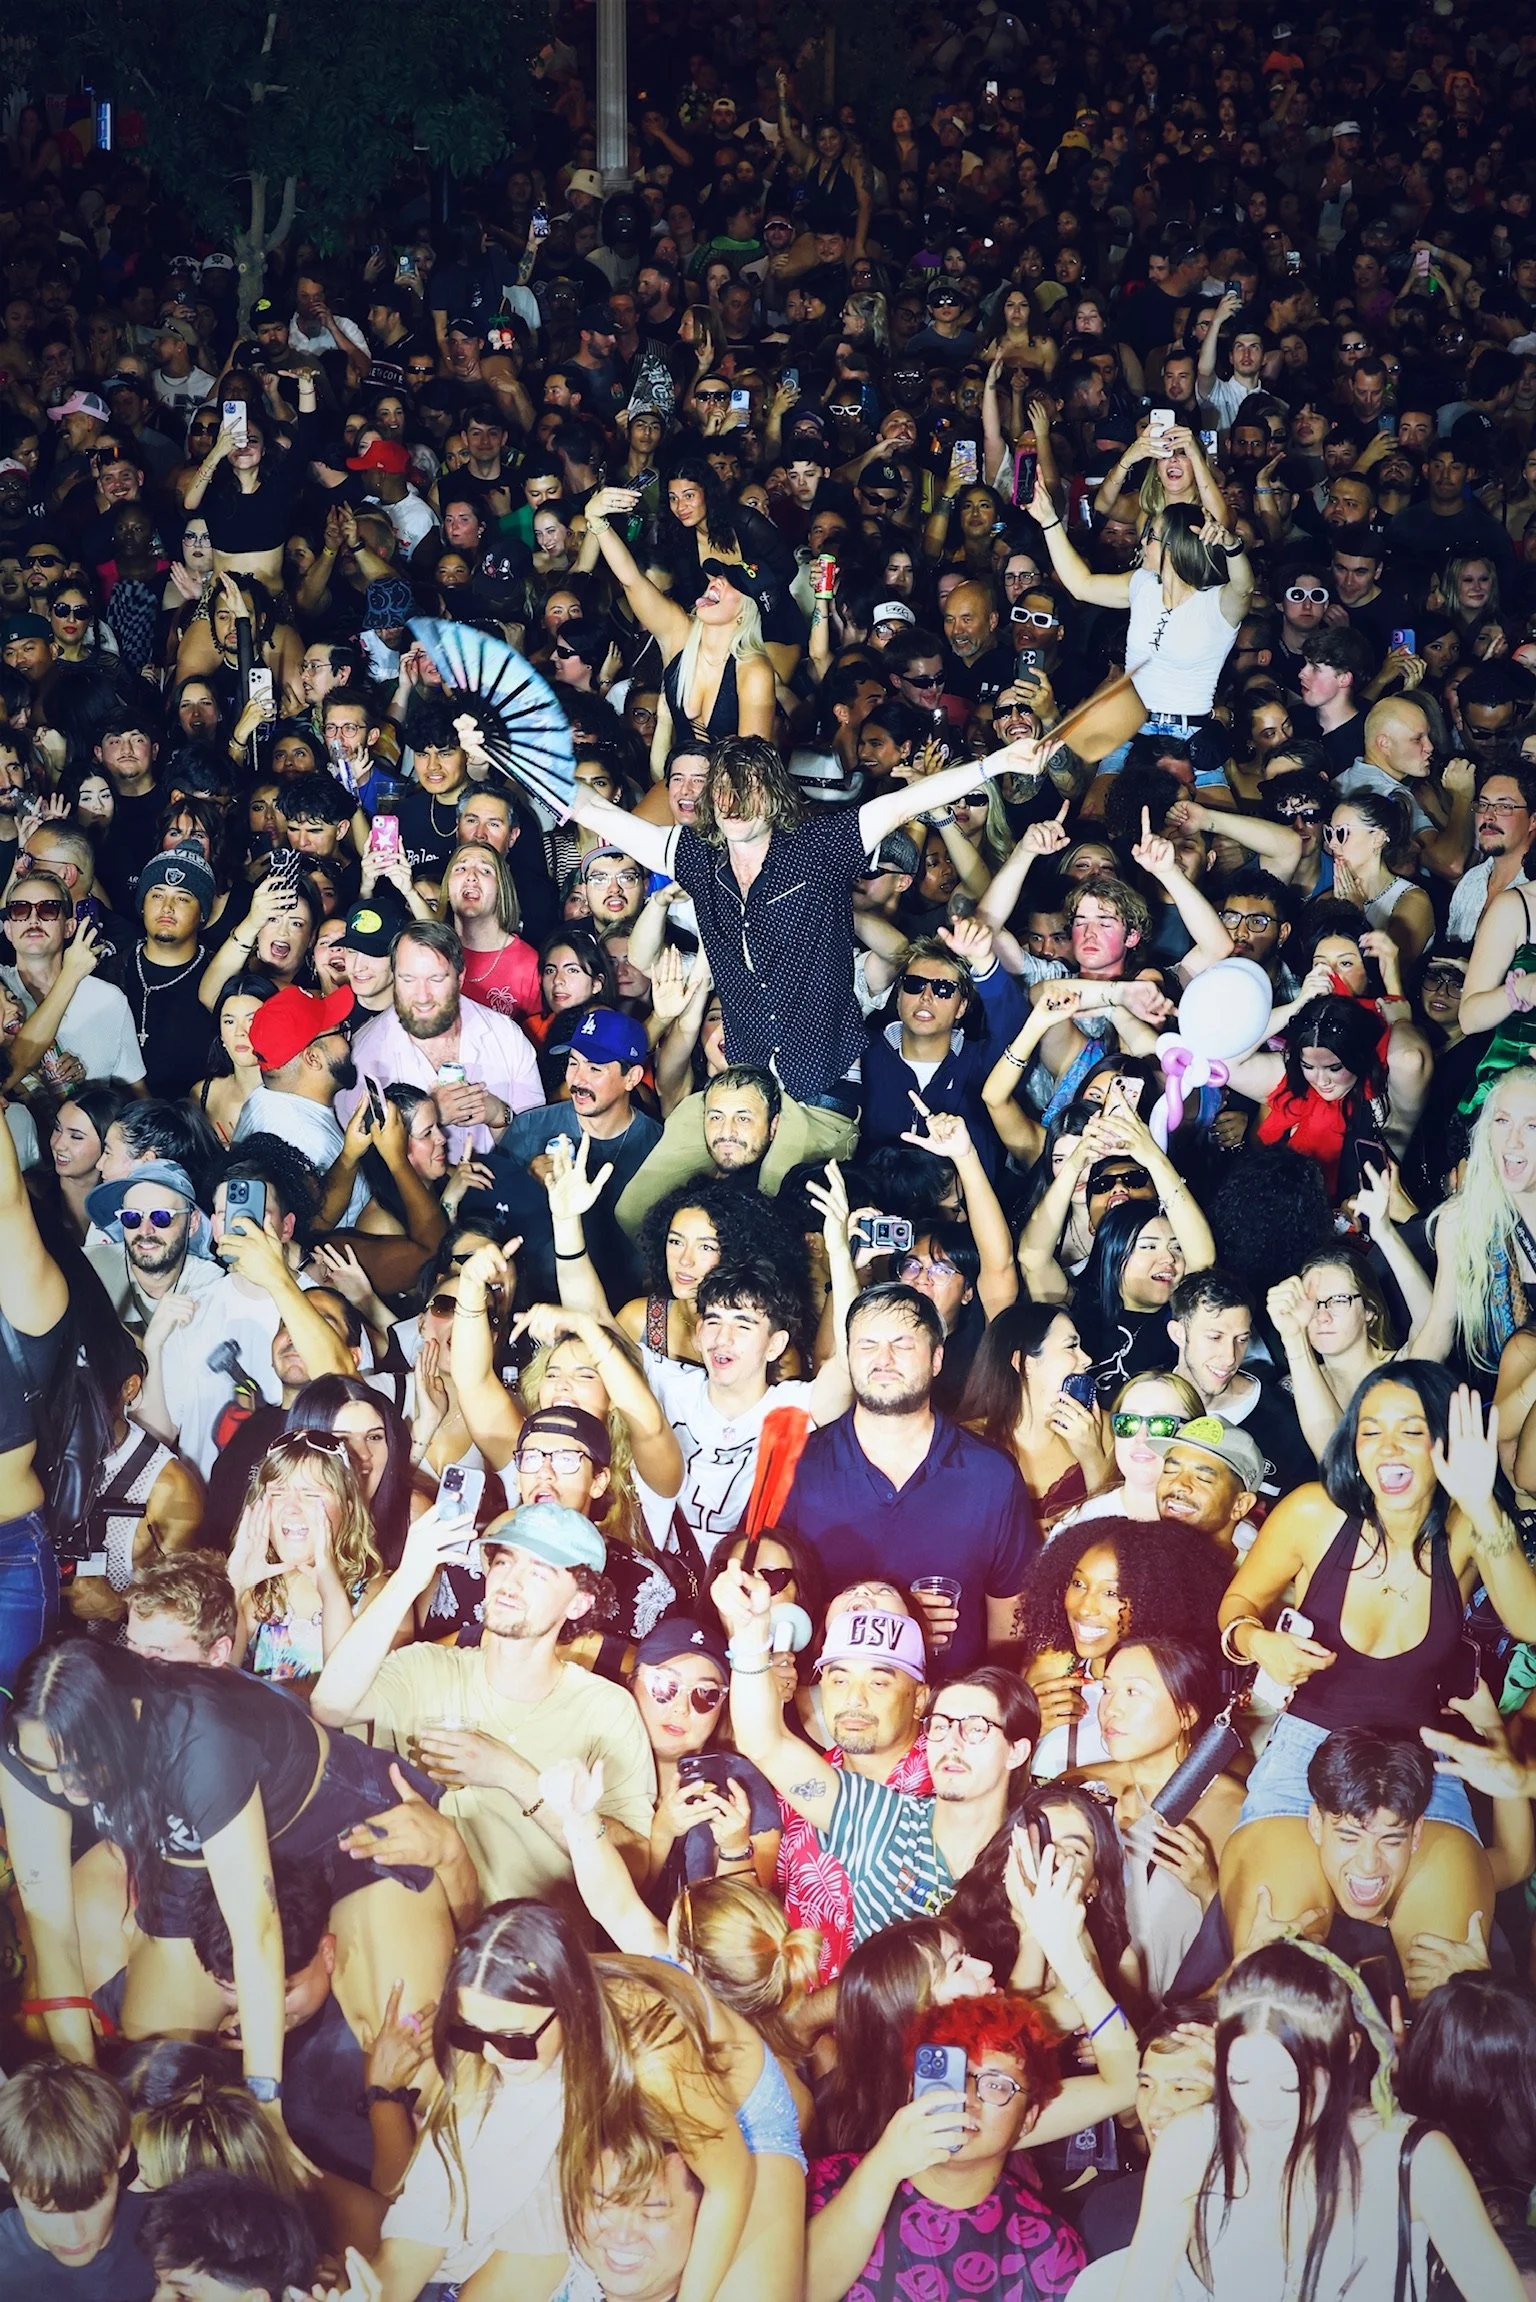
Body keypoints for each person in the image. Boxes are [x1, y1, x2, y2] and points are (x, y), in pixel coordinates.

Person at [0, 1638, 455, 2164]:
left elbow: (255, 1929)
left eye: (83, 1766)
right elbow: (49, 1924)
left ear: (130, 1715)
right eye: (47, 1771)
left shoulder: (197, 1735)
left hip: (336, 1833)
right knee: (156, 2085)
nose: (68, 1788)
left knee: (411, 2059)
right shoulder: (27, 1752)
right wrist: (82, 2092)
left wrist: (267, 2106)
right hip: (193, 1859)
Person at [1217, 1365, 1536, 1982]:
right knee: (1273, 1967)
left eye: (1411, 1430)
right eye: (1371, 1431)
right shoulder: (1313, 1513)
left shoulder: (1467, 1528)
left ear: (1443, 1443)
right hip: (1305, 1761)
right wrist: (1256, 1642)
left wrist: (1480, 1503)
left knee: (1447, 1979)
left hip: (1424, 1767)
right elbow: (1237, 1606)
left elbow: (1529, 1622)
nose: (1387, 1448)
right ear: (1353, 1445)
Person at [1073, 1939, 1528, 2302]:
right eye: (1240, 2079)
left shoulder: (1415, 2159)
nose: (1263, 2109)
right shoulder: (1191, 2144)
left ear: (1347, 2050)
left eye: (1290, 2086)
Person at [312, 1499, 657, 1910]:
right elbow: (329, 1705)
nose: (511, 1583)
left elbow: (635, 1866)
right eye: (504, 1563)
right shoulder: (426, 1666)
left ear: (579, 1602)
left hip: (530, 1951)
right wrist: (407, 1579)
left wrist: (509, 1773)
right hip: (417, 1927)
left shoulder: (606, 1710)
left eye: (538, 1573)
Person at [780, 1281, 1037, 1671]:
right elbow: (768, 1599)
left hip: (948, 1708)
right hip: (824, 1703)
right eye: (866, 1345)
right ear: (847, 1357)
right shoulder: (798, 1463)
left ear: (936, 1359)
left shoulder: (991, 1474)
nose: (883, 1359)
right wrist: (894, 1623)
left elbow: (1009, 1621)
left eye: (902, 1344)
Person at [0, 2058, 153, 2298]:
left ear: (122, 2152)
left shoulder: (170, 2232)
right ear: (3, 2168)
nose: (73, 2236)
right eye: (45, 2209)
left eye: (91, 2202)